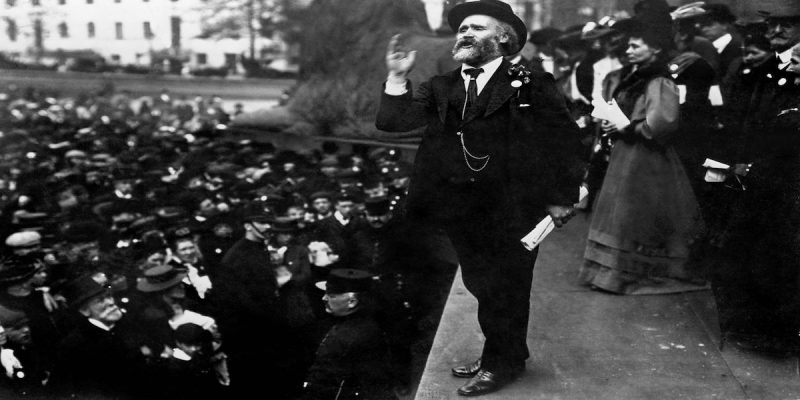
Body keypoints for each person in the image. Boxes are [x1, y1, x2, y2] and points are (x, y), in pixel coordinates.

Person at [376, 0, 581, 395]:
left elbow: (565, 139)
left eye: (476, 27)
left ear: (503, 37)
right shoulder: (442, 86)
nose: (465, 33)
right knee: (483, 285)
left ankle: (501, 364)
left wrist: (562, 197)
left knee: (506, 286)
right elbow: (392, 122)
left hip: (513, 208)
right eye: (462, 28)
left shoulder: (532, 81)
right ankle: (504, 352)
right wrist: (396, 77)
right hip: (459, 209)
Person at [578, 1, 706, 295]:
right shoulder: (634, 76)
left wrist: (626, 127)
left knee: (634, 215)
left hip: (647, 158)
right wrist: (613, 125)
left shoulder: (659, 79)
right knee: (621, 214)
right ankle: (611, 274)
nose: (629, 50)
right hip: (627, 155)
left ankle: (631, 275)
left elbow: (662, 122)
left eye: (636, 46)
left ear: (656, 50)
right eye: (630, 46)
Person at [301, 269, 393, 400]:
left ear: (352, 302)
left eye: (331, 295)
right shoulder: (370, 324)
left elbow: (321, 383)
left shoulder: (342, 337)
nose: (324, 298)